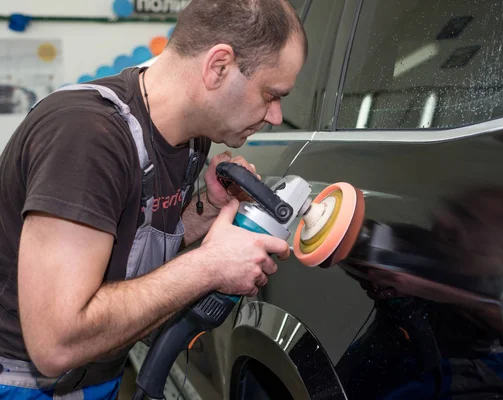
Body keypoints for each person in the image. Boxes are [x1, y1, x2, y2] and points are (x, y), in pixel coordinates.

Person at [0, 0, 307, 398]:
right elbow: (56, 344)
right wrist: (210, 266)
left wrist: (202, 212)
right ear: (219, 67)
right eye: (271, 94)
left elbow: (120, 249)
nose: (277, 116)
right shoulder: (87, 137)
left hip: (96, 376)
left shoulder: (191, 140)